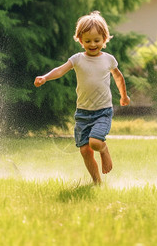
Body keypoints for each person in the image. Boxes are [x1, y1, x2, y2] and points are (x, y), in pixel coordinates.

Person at [34, 11, 130, 184]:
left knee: (94, 142)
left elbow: (118, 77)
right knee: (85, 150)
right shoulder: (77, 59)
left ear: (104, 39)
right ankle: (97, 182)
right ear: (80, 40)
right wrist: (45, 77)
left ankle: (104, 149)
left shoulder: (108, 59)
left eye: (97, 40)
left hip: (102, 112)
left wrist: (124, 96)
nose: (92, 44)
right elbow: (60, 70)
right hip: (83, 113)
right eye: (87, 41)